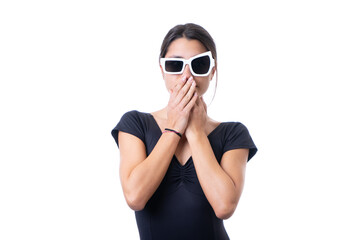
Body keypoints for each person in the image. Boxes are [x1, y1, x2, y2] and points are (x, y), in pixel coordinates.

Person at [111, 23, 257, 240]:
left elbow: (225, 206)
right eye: (175, 65)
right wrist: (173, 128)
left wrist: (196, 133)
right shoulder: (135, 124)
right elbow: (135, 197)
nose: (186, 75)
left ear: (212, 71)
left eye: (199, 64)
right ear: (162, 70)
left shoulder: (233, 133)